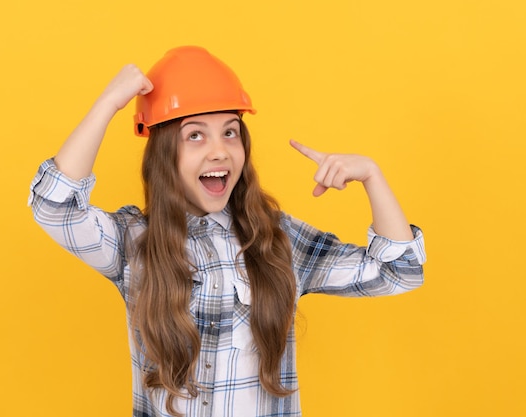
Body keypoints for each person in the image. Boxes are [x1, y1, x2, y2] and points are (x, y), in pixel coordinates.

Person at [29, 46, 425, 417]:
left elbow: (399, 271)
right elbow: (54, 206)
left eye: (230, 131)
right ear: (165, 153)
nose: (219, 150)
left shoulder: (277, 240)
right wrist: (107, 105)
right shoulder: (134, 242)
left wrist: (373, 176)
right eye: (195, 134)